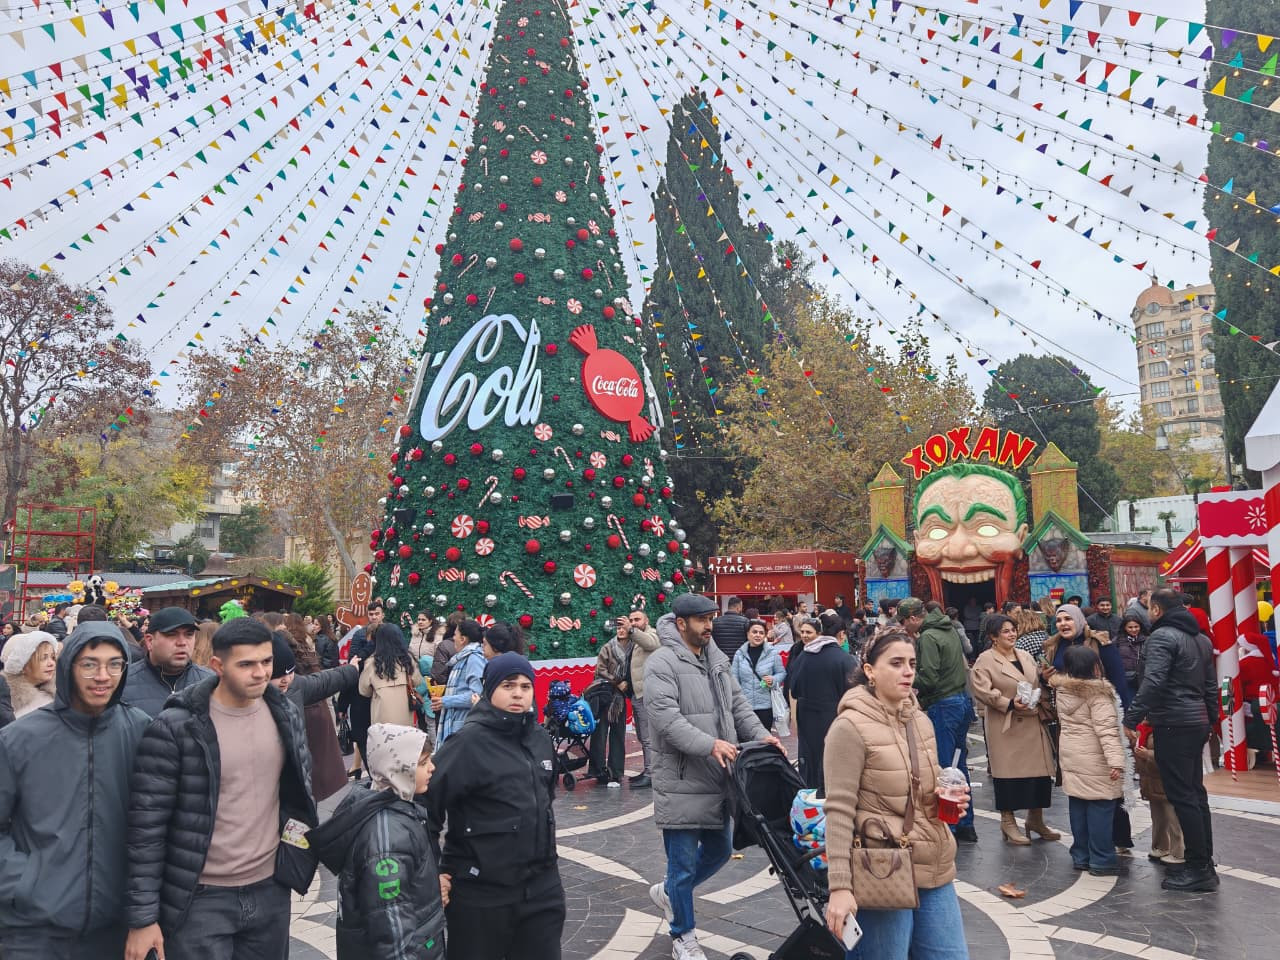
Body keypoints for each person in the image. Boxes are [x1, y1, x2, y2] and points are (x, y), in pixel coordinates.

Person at [124, 617, 317, 960]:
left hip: (270, 887)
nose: (260, 673)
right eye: (246, 664)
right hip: (200, 897)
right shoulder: (178, 725)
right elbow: (146, 827)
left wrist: (297, 859)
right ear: (217, 665)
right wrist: (142, 918)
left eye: (266, 662)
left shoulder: (283, 712)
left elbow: (297, 796)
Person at [0, 623, 151, 958]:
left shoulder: (141, 730)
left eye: (114, 663)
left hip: (115, 927)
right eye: (89, 663)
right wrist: (25, 883)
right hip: (34, 930)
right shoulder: (20, 738)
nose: (103, 675)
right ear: (69, 667)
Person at [646, 594, 780, 960]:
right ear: (680, 623)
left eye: (711, 619)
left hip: (718, 777)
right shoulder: (662, 662)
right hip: (682, 779)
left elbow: (738, 705)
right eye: (702, 620)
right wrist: (711, 744)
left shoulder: (716, 658)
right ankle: (683, 936)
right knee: (683, 863)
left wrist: (761, 735)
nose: (709, 626)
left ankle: (672, 892)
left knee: (721, 849)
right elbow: (665, 719)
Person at [823, 628, 970, 960]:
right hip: (882, 868)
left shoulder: (920, 720)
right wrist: (841, 887)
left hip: (933, 862)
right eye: (896, 663)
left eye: (912, 663)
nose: (907, 671)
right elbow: (839, 811)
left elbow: (920, 795)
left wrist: (947, 803)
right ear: (870, 671)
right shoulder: (849, 727)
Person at [426, 653, 564, 959]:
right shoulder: (467, 743)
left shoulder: (540, 738)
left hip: (541, 889)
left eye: (525, 686)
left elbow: (544, 797)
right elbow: (425, 803)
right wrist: (430, 871)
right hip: (480, 891)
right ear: (489, 690)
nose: (518, 693)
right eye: (508, 685)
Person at [310, 722, 446, 959]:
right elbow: (390, 923)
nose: (432, 768)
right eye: (423, 763)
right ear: (398, 769)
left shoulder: (392, 808)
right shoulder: (386, 839)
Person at [1122, 588, 1219, 892]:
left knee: (1183, 796)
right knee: (1195, 793)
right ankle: (1203, 862)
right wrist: (1210, 719)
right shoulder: (1201, 638)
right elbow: (1210, 686)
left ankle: (1197, 867)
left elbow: (1153, 681)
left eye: (1149, 607)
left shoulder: (1162, 638)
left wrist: (1131, 717)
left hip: (1174, 723)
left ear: (1157, 610)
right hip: (1195, 721)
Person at [970, 615, 1059, 846]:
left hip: (1032, 721)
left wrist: (1042, 678)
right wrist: (1007, 703)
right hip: (1007, 724)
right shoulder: (985, 660)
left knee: (1038, 776)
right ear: (993, 637)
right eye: (1006, 631)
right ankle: (1008, 822)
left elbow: (1033, 682)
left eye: (1013, 630)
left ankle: (1035, 820)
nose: (1011, 634)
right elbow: (982, 689)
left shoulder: (1026, 655)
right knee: (1008, 778)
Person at [902, 598, 977, 843]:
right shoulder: (950, 628)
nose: (905, 628)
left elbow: (930, 677)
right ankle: (966, 823)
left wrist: (907, 680)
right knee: (959, 765)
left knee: (944, 767)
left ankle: (950, 827)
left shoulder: (928, 637)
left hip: (943, 704)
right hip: (962, 701)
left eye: (905, 622)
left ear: (914, 618)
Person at [1050, 646, 1125, 876]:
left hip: (1071, 753)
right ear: (1093, 666)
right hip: (1094, 756)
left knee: (1078, 805)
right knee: (1101, 806)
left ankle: (1081, 856)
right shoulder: (1097, 693)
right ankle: (1102, 859)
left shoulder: (1062, 689)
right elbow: (1107, 730)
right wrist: (1116, 761)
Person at [271, 631, 361, 802]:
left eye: (290, 673)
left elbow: (324, 681)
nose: (285, 680)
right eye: (278, 676)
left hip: (295, 781)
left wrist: (351, 669)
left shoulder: (295, 684)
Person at [789, 612, 855, 792]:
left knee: (809, 773)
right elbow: (856, 697)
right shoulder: (845, 660)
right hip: (835, 722)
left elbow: (793, 689)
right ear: (841, 634)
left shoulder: (803, 656)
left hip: (806, 722)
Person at [122, 606, 215, 717]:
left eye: (189, 635)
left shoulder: (211, 682)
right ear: (150, 641)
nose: (182, 642)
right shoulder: (123, 683)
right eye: (171, 634)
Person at [1042, 603, 1129, 708]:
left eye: (1068, 619)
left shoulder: (1100, 643)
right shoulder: (1053, 646)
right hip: (1065, 710)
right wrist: (1044, 677)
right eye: (1059, 620)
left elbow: (1118, 680)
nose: (1063, 623)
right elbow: (1047, 681)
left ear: (1079, 619)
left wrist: (1122, 712)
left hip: (1097, 708)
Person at [338, 601, 385, 779]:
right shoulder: (360, 634)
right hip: (361, 693)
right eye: (371, 614)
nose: (373, 617)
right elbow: (353, 665)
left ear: (382, 614)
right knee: (363, 736)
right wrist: (343, 703)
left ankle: (376, 776)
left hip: (382, 692)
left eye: (377, 614)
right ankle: (370, 774)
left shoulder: (388, 633)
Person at [585, 617, 632, 787]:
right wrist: (617, 680)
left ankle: (616, 772)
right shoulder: (608, 647)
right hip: (604, 693)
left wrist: (628, 682)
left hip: (620, 696)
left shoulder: (634, 647)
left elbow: (634, 668)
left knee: (618, 734)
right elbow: (600, 670)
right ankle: (598, 770)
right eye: (618, 628)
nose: (620, 631)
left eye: (623, 628)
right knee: (600, 732)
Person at [1134, 728, 1184, 866]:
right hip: (1150, 780)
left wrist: (1148, 754)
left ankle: (1179, 851)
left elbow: (1173, 755)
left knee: (1173, 818)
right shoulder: (1143, 729)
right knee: (1158, 817)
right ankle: (1160, 846)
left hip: (1166, 780)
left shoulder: (1167, 726)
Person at [359, 623, 424, 729]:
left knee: (384, 743)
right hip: (405, 714)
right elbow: (417, 681)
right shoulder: (407, 660)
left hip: (381, 716)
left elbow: (363, 691)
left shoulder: (372, 663)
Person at [432, 619, 484, 747]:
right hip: (458, 720)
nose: (453, 638)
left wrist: (446, 701)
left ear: (463, 639)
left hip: (464, 723)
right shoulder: (462, 658)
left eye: (455, 634)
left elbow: (476, 695)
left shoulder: (474, 658)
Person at [731, 618, 787, 733]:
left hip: (765, 706)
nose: (758, 635)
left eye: (761, 633)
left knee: (764, 740)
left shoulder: (772, 653)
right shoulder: (740, 654)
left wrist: (773, 679)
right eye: (754, 632)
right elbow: (734, 678)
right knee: (745, 740)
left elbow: (782, 673)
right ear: (747, 634)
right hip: (745, 707)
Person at [627, 607, 661, 788]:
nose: (633, 623)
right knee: (642, 735)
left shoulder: (652, 634)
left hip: (648, 693)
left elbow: (651, 644)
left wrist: (631, 631)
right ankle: (648, 768)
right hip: (637, 693)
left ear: (646, 620)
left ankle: (651, 773)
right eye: (631, 620)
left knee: (648, 737)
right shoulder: (634, 639)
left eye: (637, 619)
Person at [2, 631, 57, 719]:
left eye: (53, 657)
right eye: (43, 658)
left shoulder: (58, 694)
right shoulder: (10, 704)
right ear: (22, 665)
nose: (51, 663)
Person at [710, 595, 749, 662]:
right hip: (738, 660)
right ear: (738, 607)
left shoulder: (715, 622)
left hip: (720, 660)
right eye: (741, 607)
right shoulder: (745, 621)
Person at [1116, 614, 1148, 694]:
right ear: (1124, 628)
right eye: (1130, 627)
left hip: (1143, 678)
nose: (1133, 630)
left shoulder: (1147, 640)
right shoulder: (1117, 641)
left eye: (1136, 627)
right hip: (1125, 678)